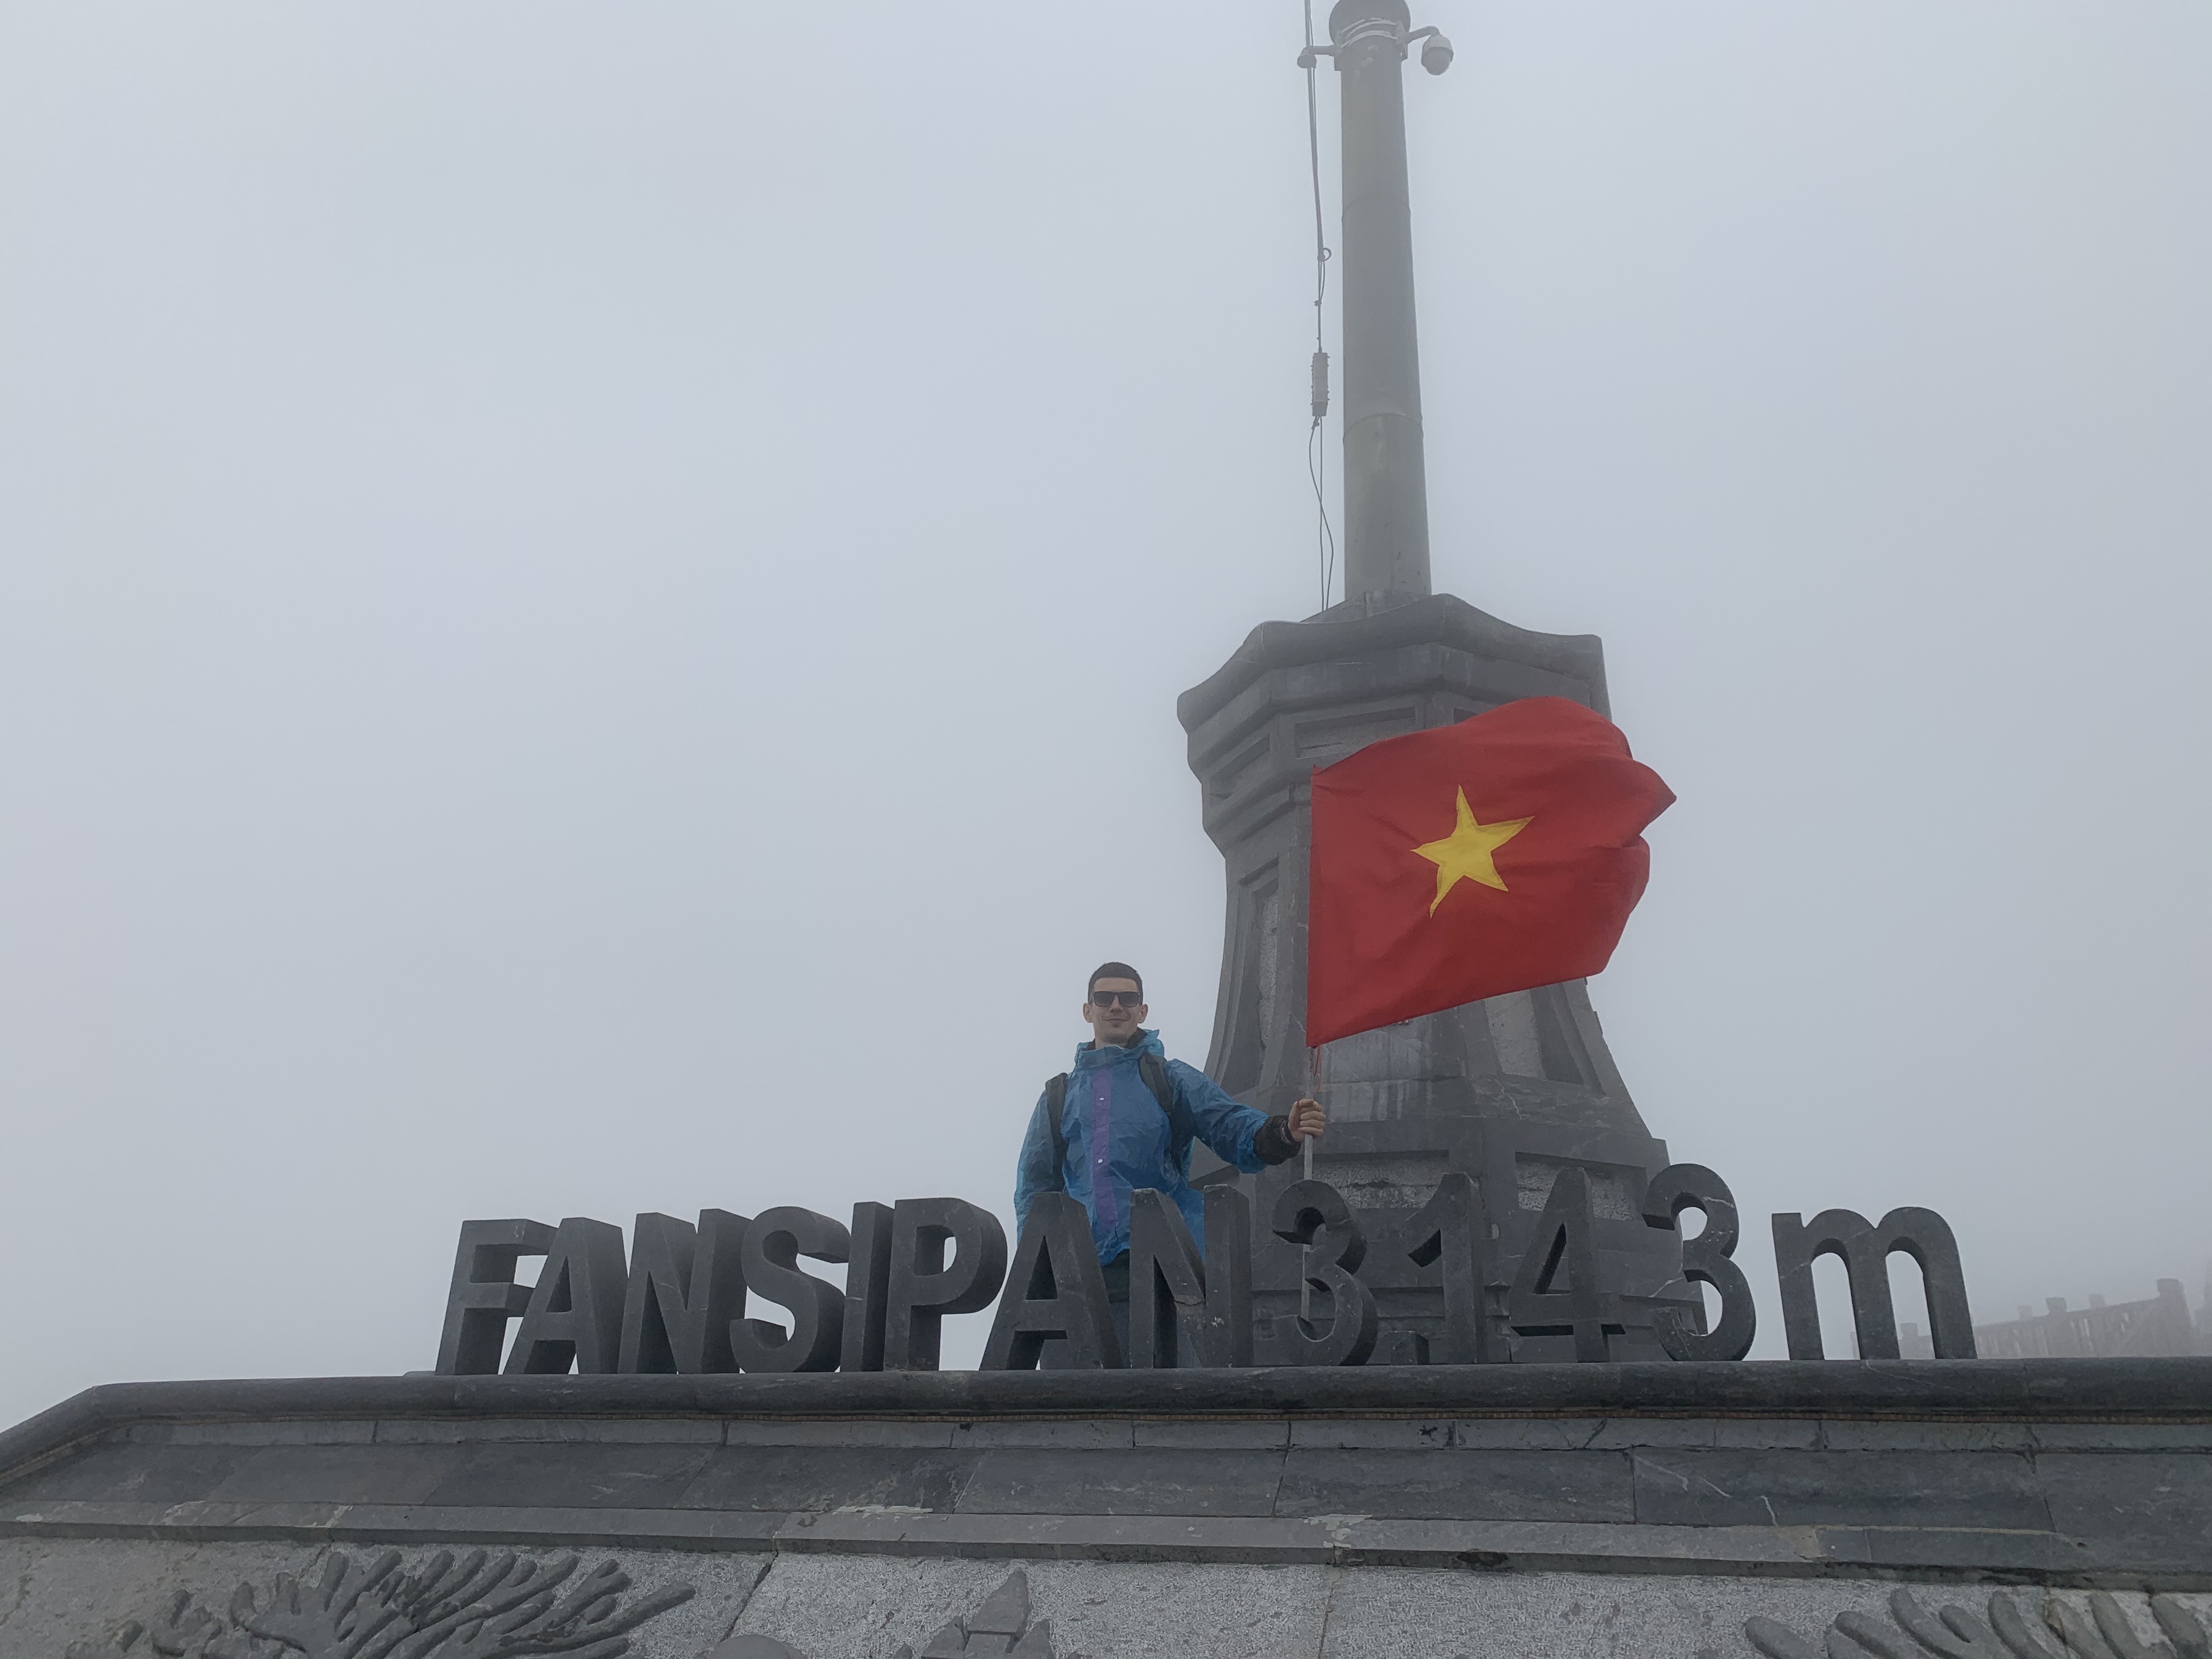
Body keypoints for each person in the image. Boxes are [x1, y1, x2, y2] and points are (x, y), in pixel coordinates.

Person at [1014, 961, 1325, 1351]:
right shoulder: (1058, 1096)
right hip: (1077, 1275)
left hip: (1163, 1273)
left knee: (1169, 1388)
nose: (1116, 1006)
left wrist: (1282, 1133)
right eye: (1104, 998)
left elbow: (1227, 1123)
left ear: (1142, 1011)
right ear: (1088, 1010)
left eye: (1128, 998)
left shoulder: (1170, 1079)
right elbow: (1034, 1190)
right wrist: (1035, 1272)